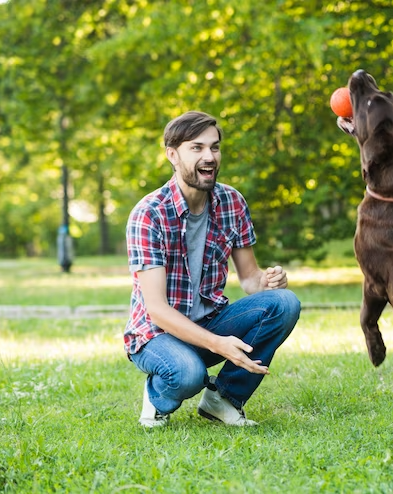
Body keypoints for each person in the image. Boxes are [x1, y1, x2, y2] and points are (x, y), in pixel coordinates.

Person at [124, 110, 301, 428]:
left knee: (285, 303)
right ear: (173, 155)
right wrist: (219, 344)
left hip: (209, 323)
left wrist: (268, 280)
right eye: (197, 148)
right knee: (189, 374)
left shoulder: (232, 202)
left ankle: (224, 398)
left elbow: (249, 279)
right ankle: (157, 396)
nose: (209, 157)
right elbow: (157, 310)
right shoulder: (149, 214)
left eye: (214, 147)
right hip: (156, 335)